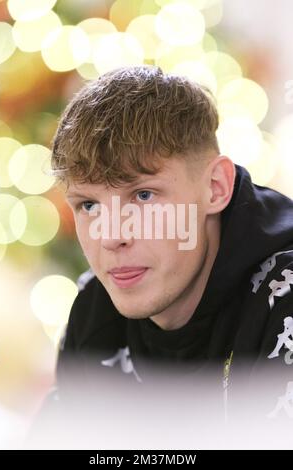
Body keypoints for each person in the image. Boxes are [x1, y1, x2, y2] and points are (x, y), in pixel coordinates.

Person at [28, 65, 293, 447]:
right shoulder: (94, 310)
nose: (112, 237)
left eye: (143, 196)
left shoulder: (283, 302)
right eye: (88, 205)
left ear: (216, 187)